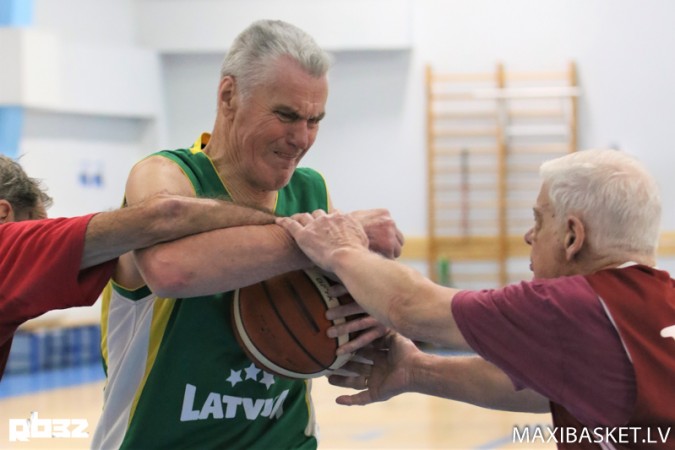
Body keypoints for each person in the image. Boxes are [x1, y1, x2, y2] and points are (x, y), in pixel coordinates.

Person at [92, 19, 402, 450]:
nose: (302, 138)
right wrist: (315, 240)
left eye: (315, 120)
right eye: (287, 115)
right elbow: (170, 269)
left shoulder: (312, 191)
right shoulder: (164, 177)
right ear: (228, 96)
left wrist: (373, 317)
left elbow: (347, 310)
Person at [277, 149, 675, 449]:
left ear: (572, 236)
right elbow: (546, 389)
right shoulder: (655, 305)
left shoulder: (579, 307)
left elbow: (412, 308)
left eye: (539, 220)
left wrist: (341, 249)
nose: (528, 235)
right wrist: (417, 370)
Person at [0, 154, 282, 381]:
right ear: (4, 212)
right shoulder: (7, 245)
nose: (40, 236)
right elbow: (165, 214)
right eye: (37, 225)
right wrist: (290, 228)